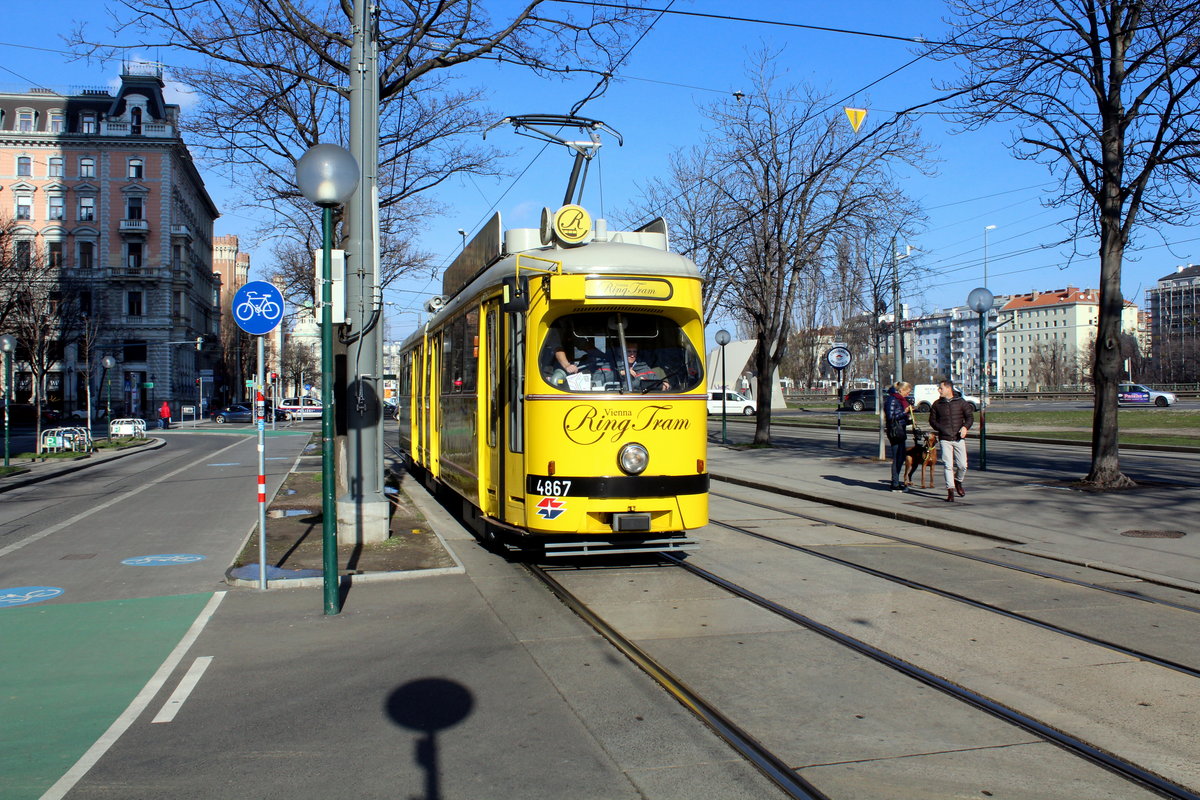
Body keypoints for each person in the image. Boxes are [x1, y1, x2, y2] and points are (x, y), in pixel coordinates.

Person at [928, 379, 974, 502]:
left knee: (962, 465)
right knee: (948, 465)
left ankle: (958, 481)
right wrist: (941, 429)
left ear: (949, 389)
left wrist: (965, 427)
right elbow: (932, 421)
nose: (939, 390)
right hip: (945, 438)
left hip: (959, 438)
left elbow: (969, 417)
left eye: (941, 388)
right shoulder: (937, 404)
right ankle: (950, 490)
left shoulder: (961, 402)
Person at [884, 381, 914, 491]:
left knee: (901, 457)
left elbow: (899, 416)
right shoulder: (892, 399)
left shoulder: (900, 399)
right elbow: (891, 416)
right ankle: (895, 483)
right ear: (901, 390)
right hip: (895, 432)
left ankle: (896, 482)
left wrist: (908, 418)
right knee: (897, 457)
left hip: (901, 430)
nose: (908, 394)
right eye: (907, 391)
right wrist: (904, 413)